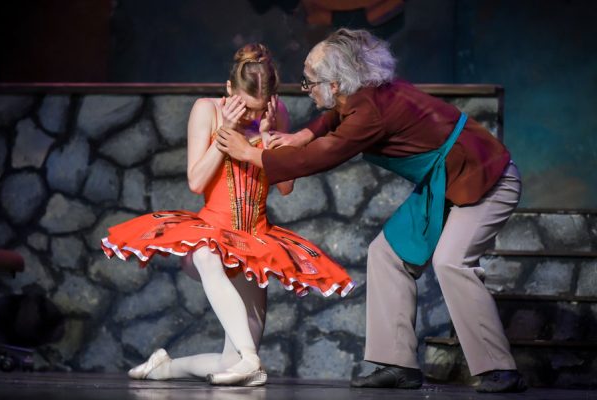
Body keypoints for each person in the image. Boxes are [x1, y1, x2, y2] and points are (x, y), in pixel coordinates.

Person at [216, 29, 527, 393]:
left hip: (486, 177)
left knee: (451, 261)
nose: (307, 89)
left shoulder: (369, 111)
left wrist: (250, 153)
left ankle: (499, 369)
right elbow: (335, 117)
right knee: (386, 254)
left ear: (335, 84)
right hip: (446, 183)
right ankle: (397, 364)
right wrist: (302, 135)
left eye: (310, 82)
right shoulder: (363, 93)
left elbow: (320, 157)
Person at [101, 43, 354, 387]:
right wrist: (228, 131)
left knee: (229, 364)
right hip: (212, 233)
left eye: (259, 108)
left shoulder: (276, 113)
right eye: (246, 106)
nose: (252, 114)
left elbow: (286, 187)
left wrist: (266, 136)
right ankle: (251, 358)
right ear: (229, 89)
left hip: (255, 243)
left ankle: (164, 368)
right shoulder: (207, 110)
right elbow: (196, 181)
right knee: (206, 256)